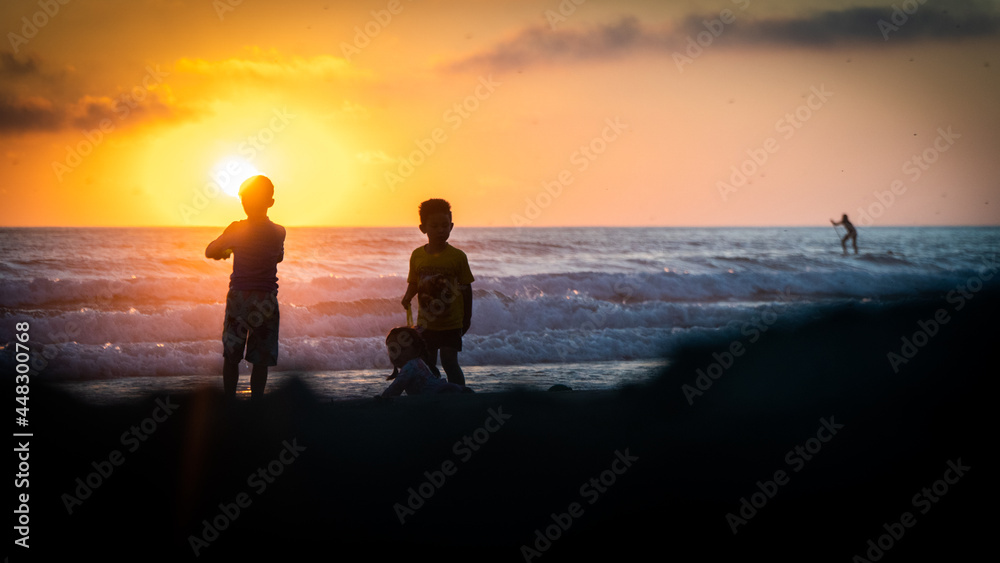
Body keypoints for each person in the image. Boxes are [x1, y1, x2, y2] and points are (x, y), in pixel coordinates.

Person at [205, 175, 286, 400]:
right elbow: (278, 257)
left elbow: (210, 250)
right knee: (260, 360)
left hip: (240, 298)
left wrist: (228, 250)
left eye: (245, 198)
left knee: (231, 356)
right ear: (270, 202)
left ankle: (230, 403)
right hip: (267, 301)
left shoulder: (236, 229)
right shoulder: (279, 231)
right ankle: (256, 405)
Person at [400, 199, 475, 385]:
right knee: (429, 364)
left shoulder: (458, 257)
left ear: (451, 226)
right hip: (426, 324)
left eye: (445, 225)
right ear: (423, 228)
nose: (441, 230)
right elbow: (414, 282)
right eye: (434, 226)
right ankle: (433, 395)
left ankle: (459, 397)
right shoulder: (417, 255)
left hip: (451, 322)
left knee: (450, 363)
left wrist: (467, 318)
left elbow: (466, 288)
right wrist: (408, 296)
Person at [380, 327, 469, 398]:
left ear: (417, 350)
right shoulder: (418, 363)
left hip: (443, 396)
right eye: (392, 349)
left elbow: (395, 389)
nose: (397, 353)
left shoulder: (410, 366)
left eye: (403, 349)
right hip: (447, 392)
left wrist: (380, 401)